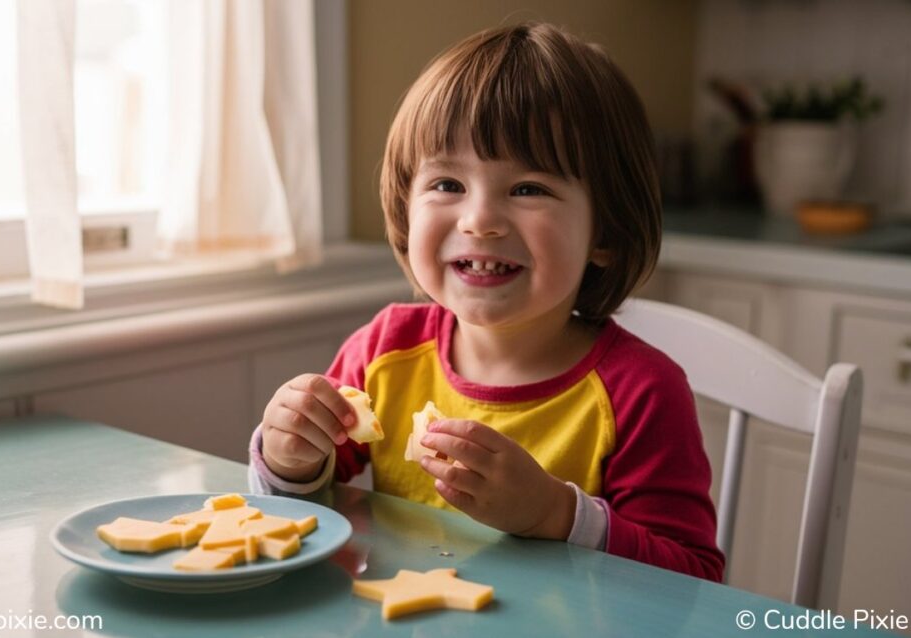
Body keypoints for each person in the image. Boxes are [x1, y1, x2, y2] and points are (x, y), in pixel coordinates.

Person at [248, 22, 724, 581]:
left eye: (529, 189)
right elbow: (301, 508)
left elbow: (693, 583)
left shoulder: (641, 392)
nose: (479, 220)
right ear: (407, 210)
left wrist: (554, 513)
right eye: (448, 184)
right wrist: (289, 458)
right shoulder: (384, 351)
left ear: (607, 233)